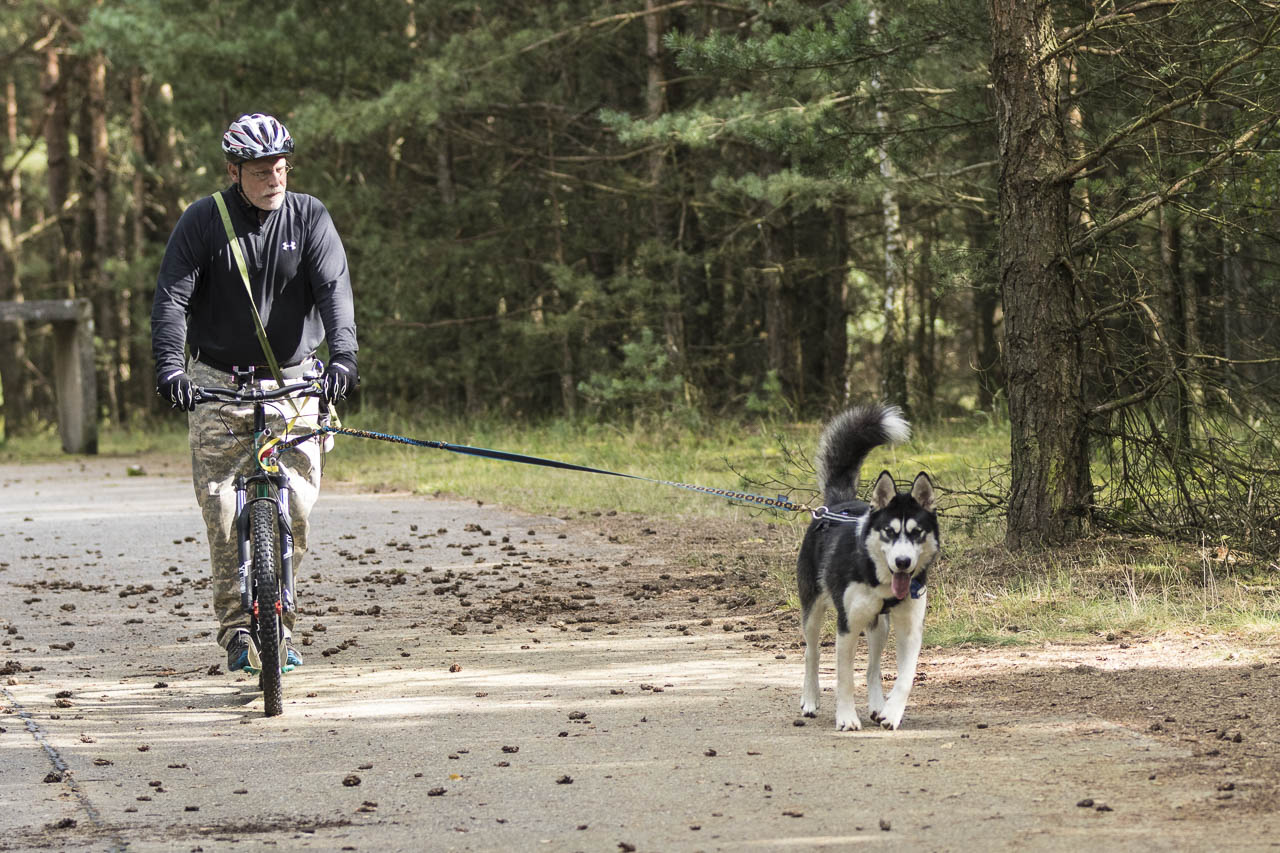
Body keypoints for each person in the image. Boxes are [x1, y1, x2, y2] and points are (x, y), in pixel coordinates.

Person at [150, 113, 359, 674]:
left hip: (295, 383)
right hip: (217, 384)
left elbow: (335, 291)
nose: (274, 179)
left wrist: (344, 358)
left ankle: (280, 626)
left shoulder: (309, 216)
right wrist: (170, 369)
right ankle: (237, 630)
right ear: (234, 171)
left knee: (296, 506)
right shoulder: (202, 221)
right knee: (222, 510)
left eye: (281, 168)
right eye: (262, 170)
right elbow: (171, 299)